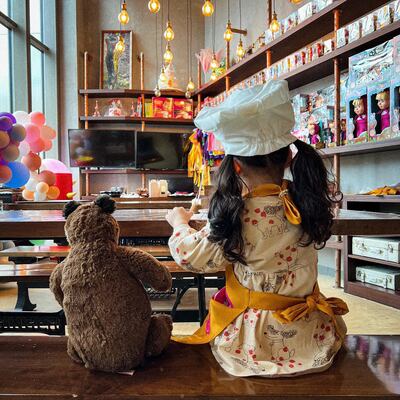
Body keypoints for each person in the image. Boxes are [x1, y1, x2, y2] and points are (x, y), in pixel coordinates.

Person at [166, 80, 348, 377]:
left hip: (256, 342)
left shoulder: (236, 215)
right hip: (311, 333)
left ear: (236, 166)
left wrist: (179, 222)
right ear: (288, 158)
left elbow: (191, 256)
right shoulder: (308, 202)